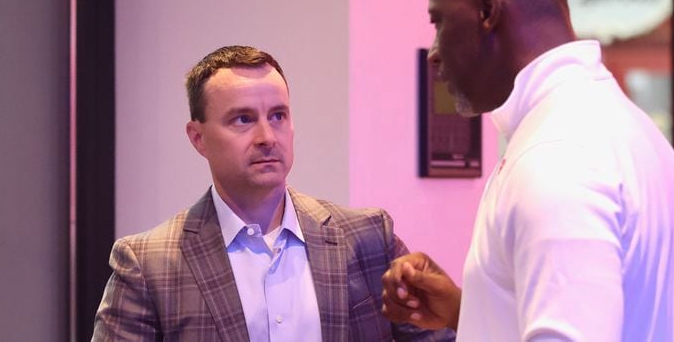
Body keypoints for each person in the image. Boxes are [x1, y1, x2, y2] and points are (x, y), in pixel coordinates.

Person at [381, 0, 674, 341]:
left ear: (487, 10)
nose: (435, 52)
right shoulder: (627, 128)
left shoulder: (557, 156)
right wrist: (470, 308)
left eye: (439, 21)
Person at [93, 45, 453, 341]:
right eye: (243, 119)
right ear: (198, 138)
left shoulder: (368, 237)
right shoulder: (148, 264)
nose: (267, 136)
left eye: (278, 115)